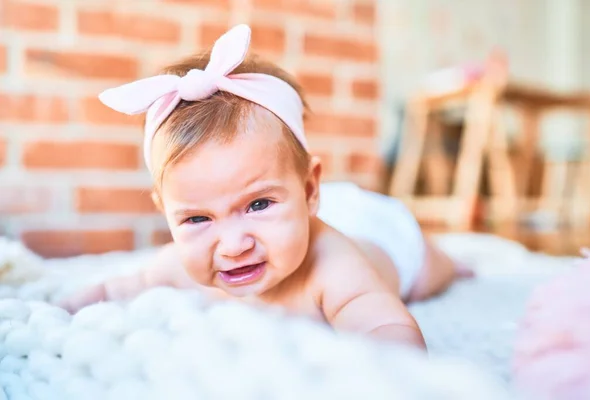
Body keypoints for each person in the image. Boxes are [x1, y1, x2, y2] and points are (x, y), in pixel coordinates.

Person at [58, 25, 473, 350]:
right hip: (314, 215)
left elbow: (386, 325)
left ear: (310, 189)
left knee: (428, 273)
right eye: (198, 218)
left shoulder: (332, 266)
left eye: (257, 205)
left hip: (380, 234)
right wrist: (66, 310)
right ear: (165, 211)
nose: (233, 245)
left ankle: (452, 260)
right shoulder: (176, 269)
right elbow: (121, 288)